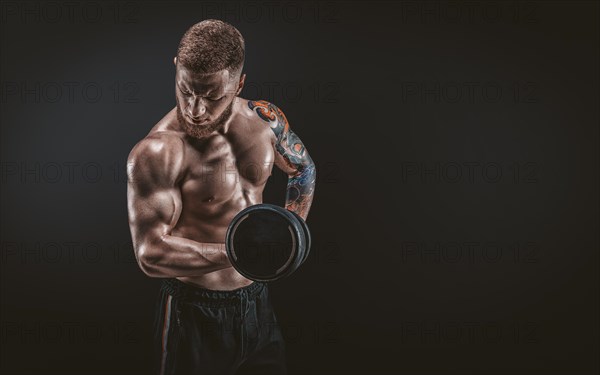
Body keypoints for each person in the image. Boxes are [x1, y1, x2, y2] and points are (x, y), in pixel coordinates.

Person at [126, 19, 316, 375]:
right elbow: (150, 254)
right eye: (186, 91)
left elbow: (303, 169)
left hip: (256, 305)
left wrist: (291, 233)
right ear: (175, 70)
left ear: (239, 83)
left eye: (213, 96)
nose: (196, 109)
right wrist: (240, 255)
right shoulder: (158, 151)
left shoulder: (265, 121)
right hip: (192, 313)